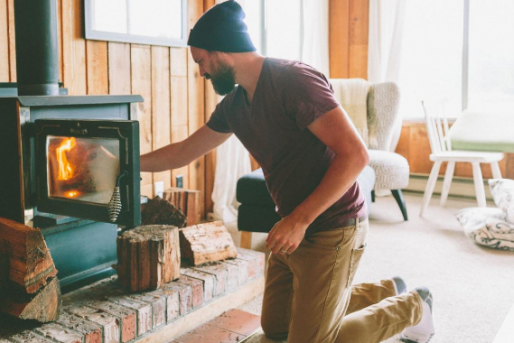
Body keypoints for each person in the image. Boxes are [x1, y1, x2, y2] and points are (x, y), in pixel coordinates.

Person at [140, 1, 435, 342]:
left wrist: (300, 220)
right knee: (277, 328)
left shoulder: (292, 80)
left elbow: (355, 155)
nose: (202, 72)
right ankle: (385, 290)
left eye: (201, 61)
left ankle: (414, 306)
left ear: (222, 50)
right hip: (292, 225)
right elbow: (183, 151)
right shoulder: (234, 107)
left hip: (332, 224)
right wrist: (128, 162)